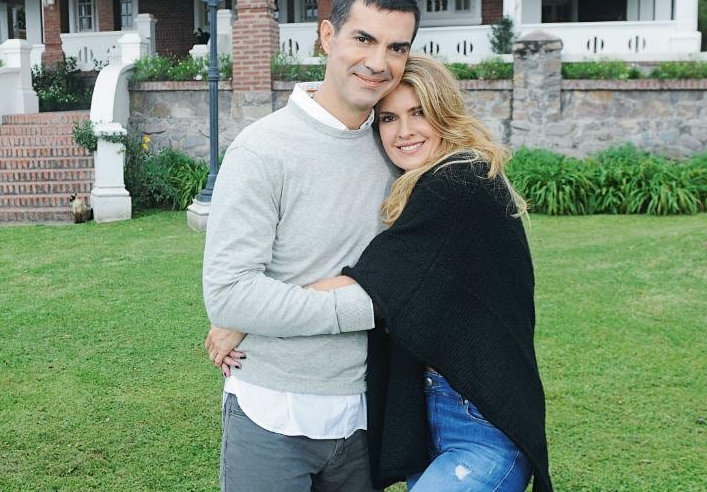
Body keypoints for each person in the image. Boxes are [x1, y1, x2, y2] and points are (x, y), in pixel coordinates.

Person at [212, 54, 553, 491]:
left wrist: (240, 319)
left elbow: (370, 284)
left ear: (445, 113)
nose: (404, 131)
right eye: (389, 118)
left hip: (478, 423)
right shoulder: (433, 180)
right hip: (435, 414)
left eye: (419, 113)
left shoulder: (458, 183)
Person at [202, 0, 420, 492]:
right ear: (327, 36)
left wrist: (262, 313)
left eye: (396, 47)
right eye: (363, 38)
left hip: (365, 416)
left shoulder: (400, 149)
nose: (377, 62)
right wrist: (372, 306)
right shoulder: (262, 150)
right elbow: (230, 295)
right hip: (270, 414)